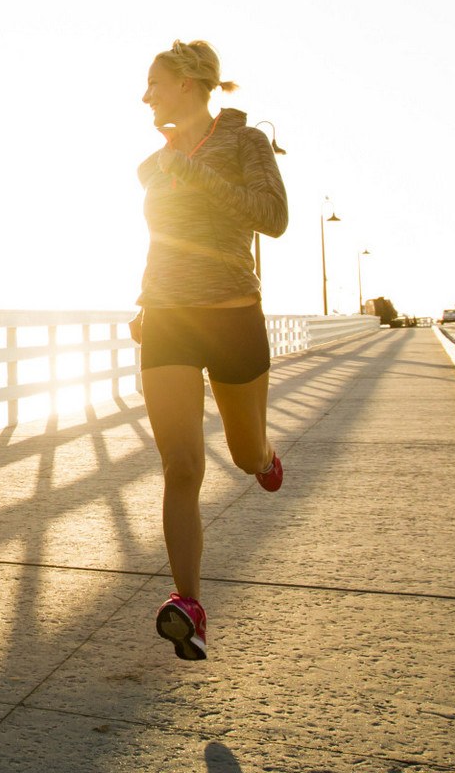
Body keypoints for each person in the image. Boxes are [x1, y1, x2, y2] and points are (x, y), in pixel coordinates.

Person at [133, 40, 289, 659]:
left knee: (243, 451)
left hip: (232, 316)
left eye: (154, 83)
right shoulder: (151, 165)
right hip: (168, 318)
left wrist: (194, 173)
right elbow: (162, 241)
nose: (145, 96)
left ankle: (264, 455)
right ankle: (188, 605)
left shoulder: (246, 144)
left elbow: (272, 218)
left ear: (191, 85)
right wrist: (145, 301)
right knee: (181, 467)